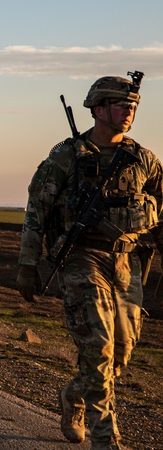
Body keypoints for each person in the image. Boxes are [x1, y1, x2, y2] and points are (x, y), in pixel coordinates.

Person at [17, 73, 162, 449]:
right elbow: (37, 210)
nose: (128, 112)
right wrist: (28, 264)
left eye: (132, 106)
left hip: (126, 264)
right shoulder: (67, 156)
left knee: (121, 354)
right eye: (120, 105)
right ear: (97, 109)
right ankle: (106, 439)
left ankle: (73, 397)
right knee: (98, 349)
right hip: (82, 260)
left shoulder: (143, 159)